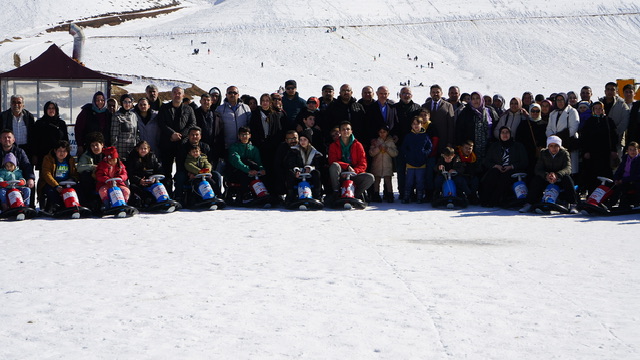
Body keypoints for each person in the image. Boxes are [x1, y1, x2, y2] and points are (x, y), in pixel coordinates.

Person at [519, 136, 578, 213]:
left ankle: (573, 204)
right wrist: (546, 175)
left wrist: (557, 175)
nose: (554, 148)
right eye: (551, 146)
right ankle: (529, 203)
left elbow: (568, 168)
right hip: (547, 178)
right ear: (548, 146)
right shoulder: (543, 153)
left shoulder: (564, 153)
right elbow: (538, 169)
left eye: (556, 145)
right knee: (536, 180)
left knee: (568, 179)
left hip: (560, 178)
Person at [158, 86, 196, 194]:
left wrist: (181, 135)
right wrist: (172, 134)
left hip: (182, 144)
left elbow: (192, 124)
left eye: (179, 93)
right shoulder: (164, 108)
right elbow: (161, 123)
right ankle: (167, 193)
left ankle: (180, 193)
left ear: (183, 95)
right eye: (174, 93)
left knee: (181, 170)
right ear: (171, 94)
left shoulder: (188, 109)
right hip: (167, 143)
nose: (177, 95)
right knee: (166, 170)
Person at [326, 121, 374, 203]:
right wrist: (347, 166)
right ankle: (336, 193)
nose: (345, 131)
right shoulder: (333, 146)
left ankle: (356, 194)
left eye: (348, 129)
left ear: (351, 131)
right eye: (343, 129)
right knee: (334, 165)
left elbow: (363, 163)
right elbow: (332, 161)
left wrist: (354, 171)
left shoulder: (358, 145)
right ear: (340, 132)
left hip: (354, 174)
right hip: (341, 174)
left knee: (370, 177)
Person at [480, 127, 528, 207]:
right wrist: (496, 166)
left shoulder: (518, 146)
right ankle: (485, 200)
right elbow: (486, 161)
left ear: (510, 134)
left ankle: (495, 201)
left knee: (504, 178)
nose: (505, 134)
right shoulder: (494, 146)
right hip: (498, 168)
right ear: (499, 134)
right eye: (503, 132)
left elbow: (524, 162)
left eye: (507, 132)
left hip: (512, 170)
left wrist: (511, 166)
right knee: (491, 175)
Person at [579, 101, 619, 193]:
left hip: (606, 153)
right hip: (592, 154)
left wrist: (613, 150)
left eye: (600, 108)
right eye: (596, 108)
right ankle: (592, 195)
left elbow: (614, 137)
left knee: (606, 174)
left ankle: (606, 195)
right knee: (592, 175)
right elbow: (584, 138)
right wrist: (586, 151)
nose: (598, 110)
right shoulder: (589, 121)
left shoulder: (608, 121)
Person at [283, 129, 325, 203]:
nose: (302, 142)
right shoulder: (294, 150)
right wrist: (296, 170)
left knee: (317, 173)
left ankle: (317, 196)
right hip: (297, 174)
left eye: (305, 140)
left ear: (309, 141)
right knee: (289, 173)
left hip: (309, 176)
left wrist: (310, 168)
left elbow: (317, 165)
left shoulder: (315, 153)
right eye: (301, 139)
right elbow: (291, 162)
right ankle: (290, 196)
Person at [38, 140, 78, 212]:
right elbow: (46, 174)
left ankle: (74, 205)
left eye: (64, 151)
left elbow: (74, 173)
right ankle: (56, 206)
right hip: (51, 183)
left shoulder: (70, 160)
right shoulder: (48, 159)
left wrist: (72, 179)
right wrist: (56, 185)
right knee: (51, 191)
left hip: (67, 182)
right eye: (60, 151)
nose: (62, 153)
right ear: (55, 151)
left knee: (78, 189)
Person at [546, 92, 580, 177]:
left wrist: (558, 137)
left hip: (568, 142)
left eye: (562, 100)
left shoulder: (572, 111)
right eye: (558, 100)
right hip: (555, 145)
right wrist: (552, 137)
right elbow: (549, 128)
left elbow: (574, 127)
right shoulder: (553, 113)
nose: (560, 102)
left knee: (570, 169)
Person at [455, 92, 495, 163]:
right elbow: (459, 129)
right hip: (471, 147)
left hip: (487, 146)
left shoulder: (489, 111)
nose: (475, 101)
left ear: (482, 99)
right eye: (473, 98)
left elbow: (495, 125)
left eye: (477, 98)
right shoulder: (466, 112)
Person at [227, 126, 266, 198]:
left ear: (250, 136)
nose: (244, 137)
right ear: (239, 136)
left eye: (246, 135)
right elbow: (237, 162)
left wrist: (261, 169)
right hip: (238, 171)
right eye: (242, 135)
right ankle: (245, 194)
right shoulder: (234, 147)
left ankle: (263, 194)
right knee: (244, 175)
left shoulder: (254, 149)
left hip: (252, 170)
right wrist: (248, 170)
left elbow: (258, 161)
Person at [400, 116, 432, 203]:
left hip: (421, 163)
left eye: (418, 124)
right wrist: (408, 155)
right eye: (414, 124)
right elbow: (404, 147)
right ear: (411, 125)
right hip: (410, 163)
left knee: (420, 181)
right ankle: (406, 196)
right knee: (409, 181)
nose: (416, 126)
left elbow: (429, 147)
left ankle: (420, 197)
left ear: (421, 125)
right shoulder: (408, 136)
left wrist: (424, 153)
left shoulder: (425, 136)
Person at [125, 141, 166, 206]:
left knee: (160, 185)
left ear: (148, 149)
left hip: (151, 181)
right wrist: (139, 180)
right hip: (139, 183)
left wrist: (154, 178)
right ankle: (146, 201)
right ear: (137, 149)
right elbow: (130, 173)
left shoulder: (152, 157)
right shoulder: (133, 158)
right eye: (141, 148)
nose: (143, 150)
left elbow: (159, 169)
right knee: (133, 187)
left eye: (145, 148)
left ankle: (164, 199)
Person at [32, 101, 68, 170]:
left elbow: (65, 139)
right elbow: (35, 140)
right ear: (45, 110)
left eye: (53, 108)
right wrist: (34, 155)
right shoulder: (39, 123)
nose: (51, 110)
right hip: (43, 154)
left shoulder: (61, 123)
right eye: (49, 108)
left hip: (58, 154)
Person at [516, 103, 548, 179]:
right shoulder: (524, 123)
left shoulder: (544, 124)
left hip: (539, 153)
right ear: (530, 111)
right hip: (526, 153)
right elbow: (518, 138)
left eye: (537, 111)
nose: (535, 113)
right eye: (533, 111)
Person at [0, 129, 35, 199]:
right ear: (0, 140)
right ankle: (4, 206)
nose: (7, 139)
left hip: (18, 182)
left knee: (29, 188)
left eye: (9, 137)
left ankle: (27, 206)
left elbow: (27, 166)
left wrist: (30, 178)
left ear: (13, 140)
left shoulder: (20, 152)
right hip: (2, 182)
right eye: (4, 137)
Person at [216, 85, 252, 150]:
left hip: (243, 145)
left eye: (234, 93)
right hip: (227, 145)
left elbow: (250, 124)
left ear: (238, 95)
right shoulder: (220, 109)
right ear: (226, 95)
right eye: (230, 93)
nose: (232, 94)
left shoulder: (246, 108)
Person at [369, 125, 398, 203]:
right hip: (377, 164)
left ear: (387, 132)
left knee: (388, 181)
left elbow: (395, 153)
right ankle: (376, 194)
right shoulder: (376, 142)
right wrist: (378, 148)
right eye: (380, 132)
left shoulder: (390, 142)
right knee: (376, 181)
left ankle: (390, 194)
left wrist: (387, 149)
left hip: (387, 165)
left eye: (384, 132)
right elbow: (371, 153)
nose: (382, 134)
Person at [607, 141, 640, 208]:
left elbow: (637, 175)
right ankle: (606, 202)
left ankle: (614, 204)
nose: (632, 152)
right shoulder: (625, 159)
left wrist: (623, 180)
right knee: (610, 185)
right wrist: (616, 179)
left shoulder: (638, 160)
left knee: (621, 188)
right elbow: (619, 170)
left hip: (633, 181)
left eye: (634, 150)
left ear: (638, 150)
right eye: (630, 149)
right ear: (627, 151)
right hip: (623, 180)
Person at [194, 93, 224, 167]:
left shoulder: (217, 115)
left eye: (208, 100)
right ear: (200, 101)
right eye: (204, 100)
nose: (206, 102)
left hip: (213, 147)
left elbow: (220, 131)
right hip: (199, 147)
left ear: (211, 102)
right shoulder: (194, 113)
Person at [600, 82, 630, 155]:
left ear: (616, 91)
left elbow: (624, 122)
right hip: (600, 140)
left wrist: (614, 133)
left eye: (612, 90)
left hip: (617, 141)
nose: (610, 91)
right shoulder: (599, 103)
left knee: (616, 164)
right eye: (608, 89)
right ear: (605, 91)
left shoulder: (622, 105)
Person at [423, 84, 455, 152]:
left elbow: (451, 125)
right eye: (433, 92)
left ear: (442, 93)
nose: (435, 94)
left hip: (443, 140)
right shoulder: (425, 106)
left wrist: (450, 142)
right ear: (430, 93)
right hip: (428, 139)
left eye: (437, 92)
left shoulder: (448, 106)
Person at [76, 132, 105, 208]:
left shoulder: (108, 154)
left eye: (96, 145)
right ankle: (89, 202)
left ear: (102, 145)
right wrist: (93, 167)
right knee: (85, 174)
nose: (95, 147)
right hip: (92, 181)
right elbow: (79, 167)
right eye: (92, 145)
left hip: (106, 179)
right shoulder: (86, 155)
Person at [111, 94, 139, 162]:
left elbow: (136, 132)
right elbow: (114, 136)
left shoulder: (133, 115)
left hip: (132, 148)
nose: (127, 104)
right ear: (121, 103)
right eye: (125, 102)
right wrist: (114, 151)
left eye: (129, 102)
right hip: (121, 150)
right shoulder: (117, 116)